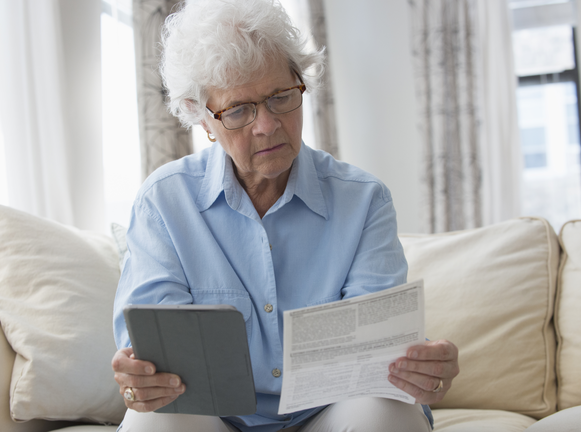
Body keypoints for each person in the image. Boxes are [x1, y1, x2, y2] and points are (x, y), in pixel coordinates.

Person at [111, 0, 459, 430]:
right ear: (204, 119)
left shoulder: (364, 200)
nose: (267, 125)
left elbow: (378, 351)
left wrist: (420, 369)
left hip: (331, 412)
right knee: (153, 423)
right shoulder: (164, 202)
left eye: (280, 97)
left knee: (383, 413)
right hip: (217, 419)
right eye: (238, 109)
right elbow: (152, 351)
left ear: (301, 85)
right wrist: (140, 382)